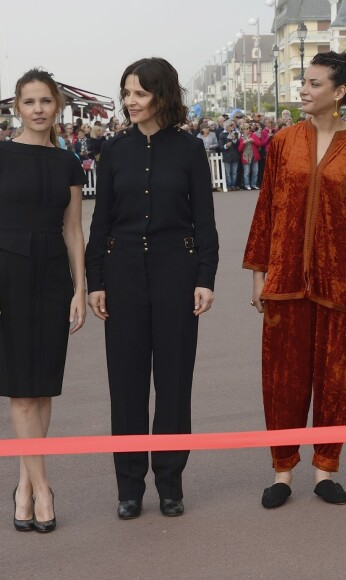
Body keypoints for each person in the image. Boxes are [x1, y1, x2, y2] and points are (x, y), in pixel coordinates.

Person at [243, 51, 346, 509]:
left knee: (337, 380)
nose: (303, 90)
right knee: (282, 380)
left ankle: (327, 468)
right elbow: (267, 208)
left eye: (313, 83)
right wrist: (259, 272)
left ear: (339, 92)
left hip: (342, 282)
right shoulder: (285, 142)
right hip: (286, 279)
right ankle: (282, 471)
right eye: (303, 82)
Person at [85, 57, 219, 520]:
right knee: (125, 383)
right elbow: (100, 221)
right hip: (121, 272)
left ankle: (169, 483)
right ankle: (128, 487)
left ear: (162, 95)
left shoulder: (188, 149)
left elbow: (205, 219)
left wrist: (206, 277)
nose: (130, 102)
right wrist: (96, 281)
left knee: (174, 382)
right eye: (126, 93)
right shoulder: (115, 151)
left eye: (139, 93)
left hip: (176, 273)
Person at [0, 69, 86, 532]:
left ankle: (24, 485)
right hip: (7, 271)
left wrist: (79, 287)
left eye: (45, 102)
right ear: (17, 106)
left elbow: (74, 229)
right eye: (29, 101)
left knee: (42, 384)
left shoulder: (68, 162)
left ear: (57, 106)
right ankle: (43, 487)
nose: (38, 109)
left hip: (53, 271)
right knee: (20, 388)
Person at [237, 122, 261, 190]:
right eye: (246, 129)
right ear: (242, 130)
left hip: (254, 156)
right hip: (246, 157)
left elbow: (260, 144)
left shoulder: (253, 135)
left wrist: (253, 141)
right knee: (246, 173)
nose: (248, 130)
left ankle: (253, 184)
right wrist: (243, 143)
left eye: (248, 128)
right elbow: (239, 150)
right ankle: (247, 185)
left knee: (255, 172)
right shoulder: (241, 138)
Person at [218, 119, 240, 190]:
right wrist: (226, 146)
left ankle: (233, 185)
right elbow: (220, 146)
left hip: (235, 155)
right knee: (228, 172)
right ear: (227, 126)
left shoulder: (235, 133)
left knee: (234, 172)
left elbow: (237, 145)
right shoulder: (222, 134)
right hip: (227, 156)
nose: (233, 126)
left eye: (233, 125)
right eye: (231, 125)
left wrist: (234, 140)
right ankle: (229, 185)